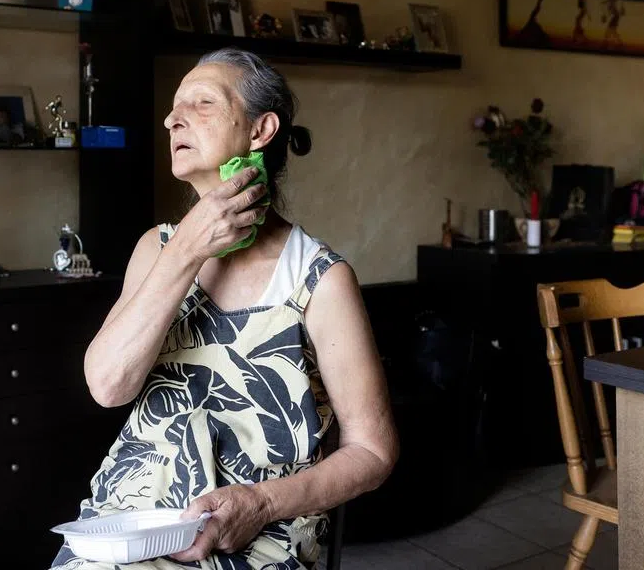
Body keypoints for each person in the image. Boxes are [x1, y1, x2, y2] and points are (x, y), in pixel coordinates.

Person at [53, 48, 398, 569]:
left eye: (203, 102)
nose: (173, 118)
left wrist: (258, 504)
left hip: (255, 531)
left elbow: (373, 453)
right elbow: (108, 386)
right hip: (132, 523)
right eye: (173, 107)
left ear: (261, 131)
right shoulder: (157, 248)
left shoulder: (320, 279)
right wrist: (188, 248)